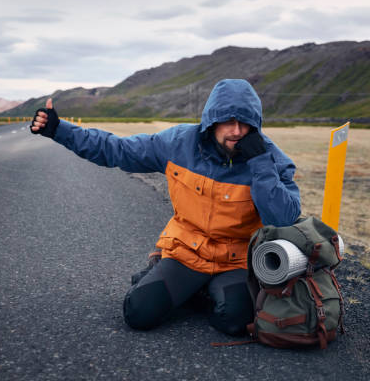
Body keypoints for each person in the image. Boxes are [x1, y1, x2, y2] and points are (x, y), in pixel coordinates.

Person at [31, 79, 301, 336]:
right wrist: (60, 130)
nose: (237, 131)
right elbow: (117, 150)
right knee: (138, 313)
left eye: (245, 123)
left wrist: (261, 166)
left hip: (237, 259)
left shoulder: (271, 159)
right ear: (211, 122)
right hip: (186, 252)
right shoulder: (178, 143)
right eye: (228, 121)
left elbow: (283, 220)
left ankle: (198, 291)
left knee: (235, 321)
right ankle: (173, 277)